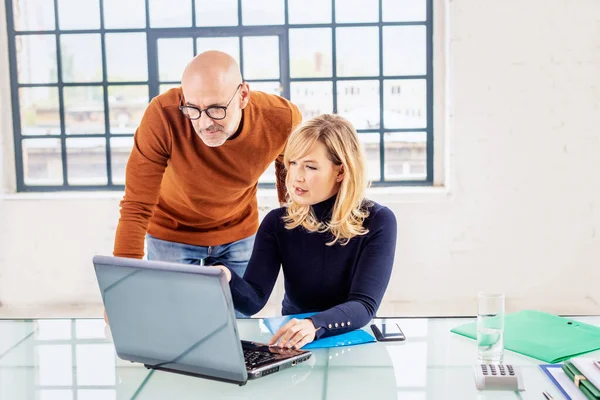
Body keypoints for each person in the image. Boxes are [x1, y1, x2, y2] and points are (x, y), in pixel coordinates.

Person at [106, 51, 301, 322]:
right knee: (172, 325)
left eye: (216, 109)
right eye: (193, 110)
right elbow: (136, 205)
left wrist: (295, 230)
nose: (205, 122)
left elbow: (292, 171)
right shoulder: (162, 116)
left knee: (235, 326)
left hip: (238, 231)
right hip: (171, 233)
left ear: (243, 95)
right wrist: (121, 286)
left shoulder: (280, 118)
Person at [216, 114, 397, 349]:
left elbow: (364, 305)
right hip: (294, 344)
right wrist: (226, 276)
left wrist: (314, 324)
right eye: (292, 163)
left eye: (310, 166)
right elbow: (253, 301)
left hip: (350, 340)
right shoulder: (277, 222)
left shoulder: (378, 221)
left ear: (341, 172)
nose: (295, 177)